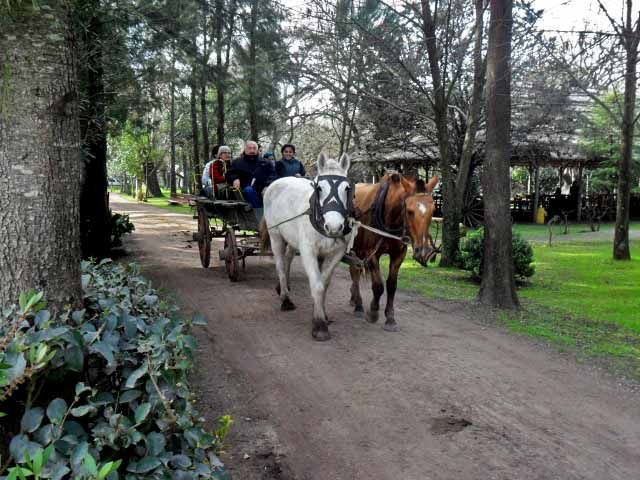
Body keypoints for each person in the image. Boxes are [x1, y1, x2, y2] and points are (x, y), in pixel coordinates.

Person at [226, 140, 273, 208]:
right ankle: (259, 211)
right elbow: (230, 173)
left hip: (263, 188)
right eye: (249, 148)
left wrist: (267, 185)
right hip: (245, 190)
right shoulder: (237, 162)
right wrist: (235, 179)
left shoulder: (266, 162)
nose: (252, 151)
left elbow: (273, 175)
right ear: (245, 149)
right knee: (249, 190)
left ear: (257, 150)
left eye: (254, 148)